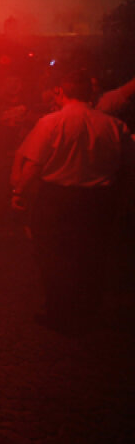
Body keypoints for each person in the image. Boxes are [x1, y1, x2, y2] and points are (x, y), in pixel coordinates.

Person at [11, 68, 134, 336]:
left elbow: (34, 165)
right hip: (98, 201)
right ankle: (88, 312)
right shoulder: (114, 125)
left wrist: (19, 192)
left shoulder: (51, 122)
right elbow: (128, 168)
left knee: (52, 255)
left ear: (61, 92)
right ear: (92, 93)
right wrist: (124, 200)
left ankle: (58, 311)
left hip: (57, 200)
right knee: (91, 255)